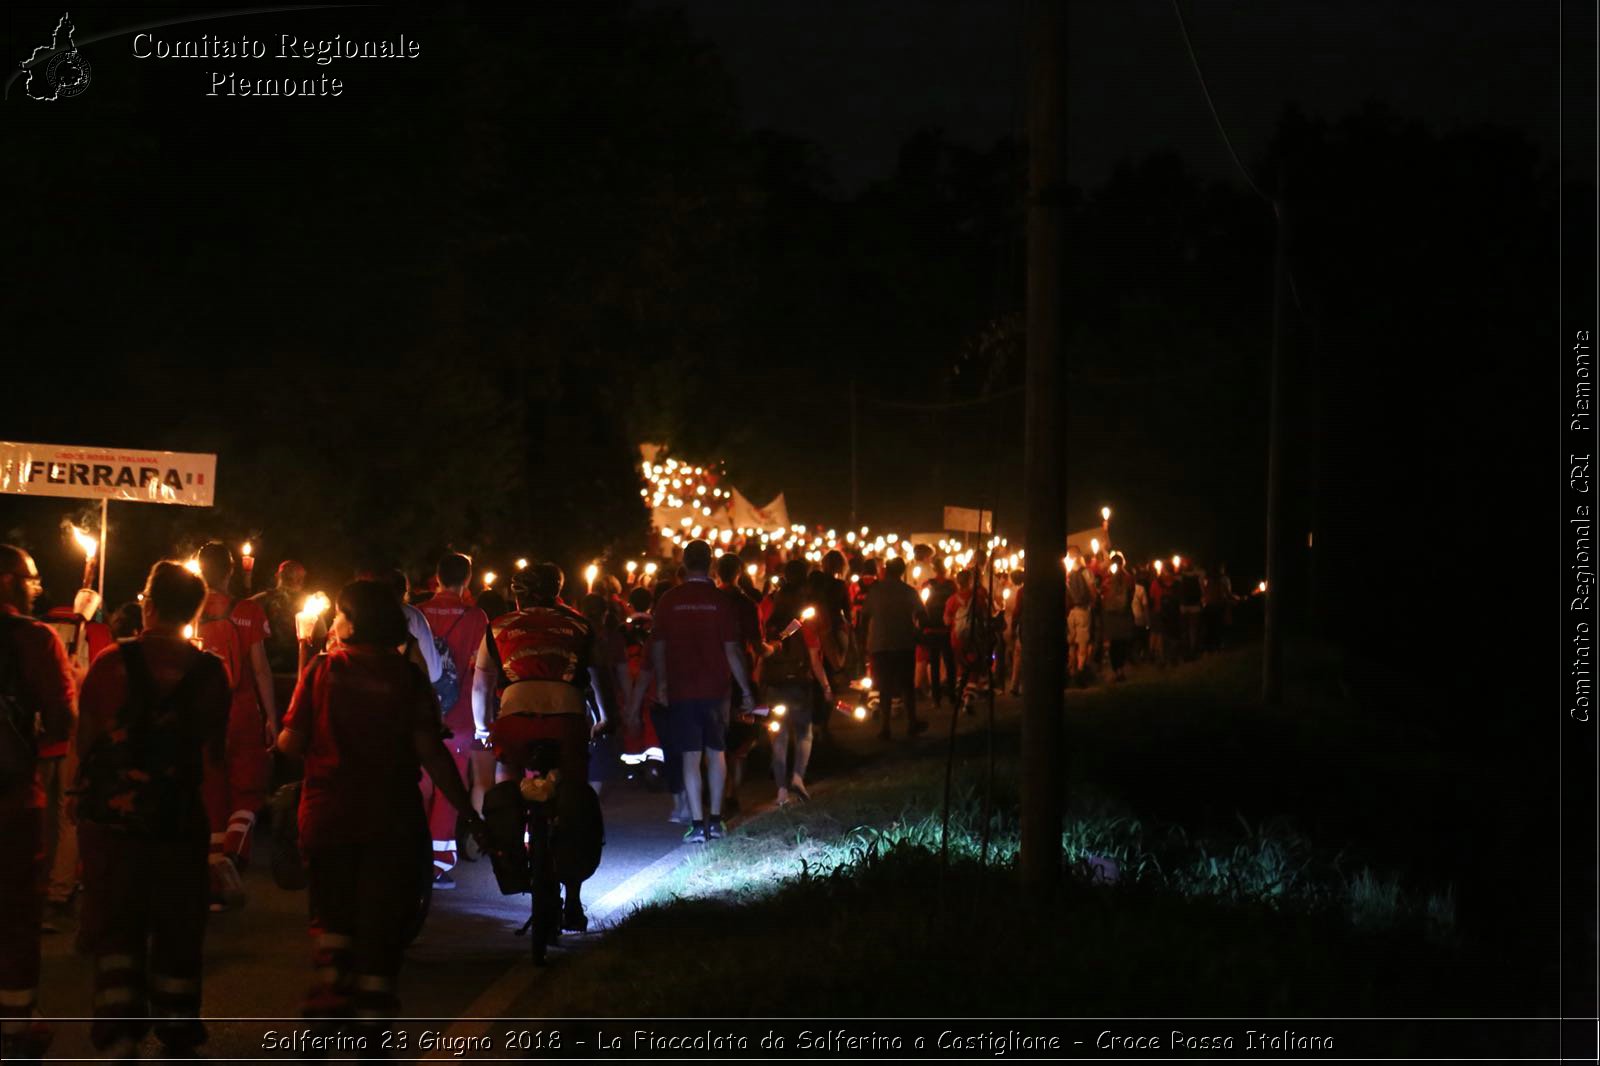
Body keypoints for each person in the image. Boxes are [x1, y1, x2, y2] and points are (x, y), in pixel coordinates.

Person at [279, 580, 483, 1031]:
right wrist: (468, 813)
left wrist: (303, 661)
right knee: (381, 925)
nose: (333, 623)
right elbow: (432, 752)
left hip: (329, 816)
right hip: (392, 820)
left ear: (353, 622)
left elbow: (291, 742)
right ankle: (372, 1022)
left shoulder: (321, 670)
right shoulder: (407, 677)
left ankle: (329, 1004)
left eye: (338, 615)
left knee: (332, 919)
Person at [74, 560, 230, 1057]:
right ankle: (178, 1031)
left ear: (149, 604)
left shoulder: (111, 664)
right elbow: (214, 752)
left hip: (115, 826)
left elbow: (85, 741)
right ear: (196, 610)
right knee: (178, 929)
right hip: (179, 822)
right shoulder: (210, 672)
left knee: (117, 928)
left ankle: (120, 1034)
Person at [472, 563, 611, 930]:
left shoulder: (498, 627)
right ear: (557, 592)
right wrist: (605, 718)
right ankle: (574, 902)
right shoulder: (580, 625)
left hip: (514, 721)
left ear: (517, 595)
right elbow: (597, 680)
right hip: (566, 720)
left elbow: (481, 686)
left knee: (507, 778)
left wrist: (481, 727)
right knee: (572, 795)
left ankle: (514, 854)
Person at [0, 545, 75, 1060]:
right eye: (30, 579)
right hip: (12, 800)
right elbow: (62, 720)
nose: (37, 587)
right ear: (6, 580)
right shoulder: (35, 640)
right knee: (16, 912)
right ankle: (14, 1025)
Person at [649, 540, 755, 844]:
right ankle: (716, 821)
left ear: (684, 563)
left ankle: (696, 824)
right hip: (716, 690)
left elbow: (658, 646)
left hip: (682, 688)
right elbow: (733, 650)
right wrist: (746, 690)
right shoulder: (721, 602)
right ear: (710, 563)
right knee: (716, 753)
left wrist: (664, 684)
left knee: (690, 756)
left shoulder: (669, 601)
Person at [192, 541, 277, 911]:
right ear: (229, 570)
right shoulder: (248, 610)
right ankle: (233, 859)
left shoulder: (190, 610)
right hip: (242, 709)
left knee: (212, 792)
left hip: (202, 712)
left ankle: (212, 883)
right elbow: (260, 667)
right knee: (248, 791)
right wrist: (272, 714)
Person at [416, 553, 490, 886]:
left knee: (418, 784)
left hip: (419, 713)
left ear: (437, 575)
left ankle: (408, 853)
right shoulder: (476, 618)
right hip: (458, 717)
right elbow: (480, 672)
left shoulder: (418, 612)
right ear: (468, 578)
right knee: (449, 789)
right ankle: (437, 862)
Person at [762, 563, 834, 806]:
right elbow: (815, 659)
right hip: (800, 684)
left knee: (779, 737)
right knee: (804, 733)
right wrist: (826, 686)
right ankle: (798, 777)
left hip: (775, 684)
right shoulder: (804, 622)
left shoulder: (771, 624)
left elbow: (764, 653)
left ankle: (781, 791)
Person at [714, 552, 762, 813]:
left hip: (710, 675)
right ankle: (732, 792)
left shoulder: (709, 602)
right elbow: (756, 644)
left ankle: (716, 793)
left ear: (716, 573)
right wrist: (770, 648)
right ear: (739, 573)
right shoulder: (746, 604)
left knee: (716, 739)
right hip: (739, 676)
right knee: (742, 738)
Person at [861, 557, 928, 740]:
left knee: (884, 687)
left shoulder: (875, 592)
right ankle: (912, 722)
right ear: (902, 572)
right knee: (907, 685)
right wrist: (917, 630)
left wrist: (864, 639)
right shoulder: (908, 591)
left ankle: (885, 727)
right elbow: (923, 615)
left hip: (880, 644)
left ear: (886, 570)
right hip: (903, 643)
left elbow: (864, 616)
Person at [945, 569, 993, 712]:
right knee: (974, 668)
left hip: (956, 639)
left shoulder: (952, 600)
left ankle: (961, 692)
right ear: (970, 581)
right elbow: (985, 616)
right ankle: (967, 699)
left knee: (961, 666)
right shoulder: (978, 598)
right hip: (973, 638)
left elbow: (947, 621)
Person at [250, 559, 308, 677]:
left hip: (272, 669)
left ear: (278, 576)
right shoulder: (310, 603)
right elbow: (320, 635)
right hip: (290, 669)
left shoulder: (259, 600)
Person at [919, 559, 958, 709]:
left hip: (931, 628)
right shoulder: (951, 585)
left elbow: (922, 602)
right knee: (949, 663)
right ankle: (952, 695)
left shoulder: (927, 584)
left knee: (934, 664)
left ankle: (936, 698)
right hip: (946, 628)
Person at [1101, 554, 1135, 682]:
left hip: (1111, 616)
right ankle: (1121, 669)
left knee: (1114, 644)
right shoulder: (1128, 578)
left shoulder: (1107, 579)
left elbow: (1103, 595)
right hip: (1124, 614)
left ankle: (1117, 671)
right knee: (1122, 643)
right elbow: (1132, 593)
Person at [1066, 547, 1096, 684]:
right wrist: (1094, 602)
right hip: (1082, 610)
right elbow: (1092, 589)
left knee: (1072, 642)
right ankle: (1080, 672)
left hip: (1070, 611)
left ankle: (1071, 671)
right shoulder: (1085, 572)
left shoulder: (1068, 572)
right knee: (1082, 643)